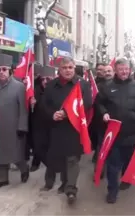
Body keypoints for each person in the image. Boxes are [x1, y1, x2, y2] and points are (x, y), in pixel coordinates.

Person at [96, 58, 135, 204]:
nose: (124, 72)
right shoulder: (107, 86)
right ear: (115, 70)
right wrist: (104, 113)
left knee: (128, 160)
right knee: (113, 165)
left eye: (126, 69)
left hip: (132, 132)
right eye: (121, 69)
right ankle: (112, 191)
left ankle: (126, 179)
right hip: (113, 133)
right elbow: (99, 103)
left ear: (130, 69)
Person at [40, 57, 92, 204]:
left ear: (74, 68)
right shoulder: (51, 85)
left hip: (74, 128)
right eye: (64, 68)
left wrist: (67, 114)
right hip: (55, 128)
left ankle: (71, 190)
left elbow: (87, 103)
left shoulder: (82, 84)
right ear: (59, 69)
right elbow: (44, 105)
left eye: (70, 67)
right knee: (57, 158)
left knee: (72, 159)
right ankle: (58, 182)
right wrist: (52, 114)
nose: (68, 70)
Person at [0, 54, 30, 189]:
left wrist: (22, 126)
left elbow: (23, 109)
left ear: (10, 71)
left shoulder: (19, 87)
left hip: (14, 126)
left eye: (4, 69)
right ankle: (2, 178)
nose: (1, 72)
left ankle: (24, 170)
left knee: (16, 153)